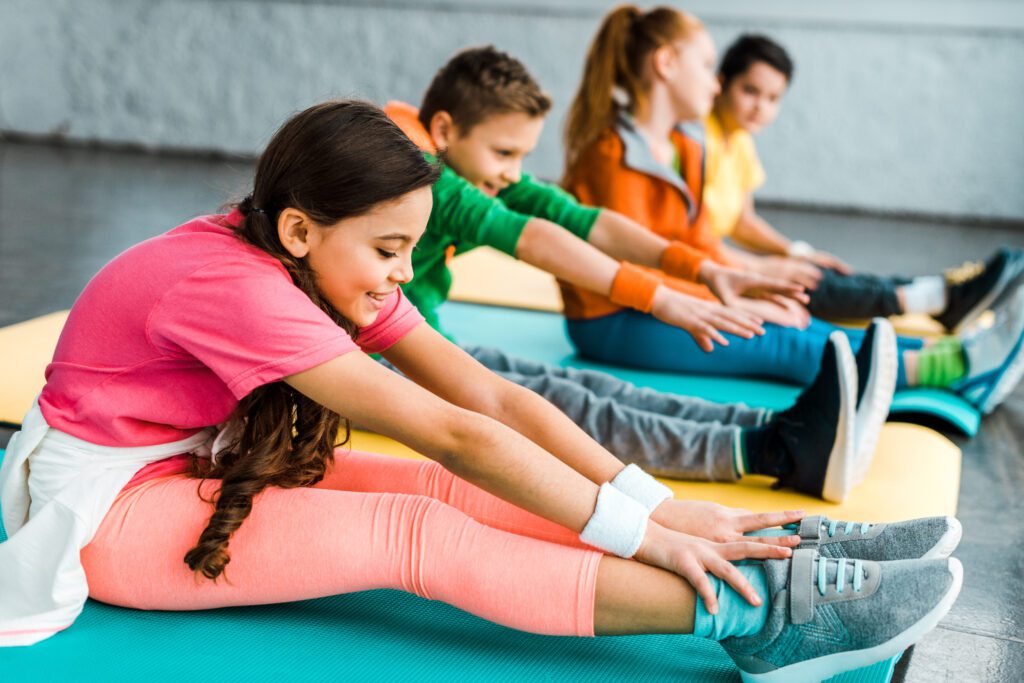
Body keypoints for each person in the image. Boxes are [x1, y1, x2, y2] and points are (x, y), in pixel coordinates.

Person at [0, 102, 963, 683]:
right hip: (110, 513)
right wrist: (640, 536)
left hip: (179, 459)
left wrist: (667, 513)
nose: (400, 273)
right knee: (416, 534)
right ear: (300, 229)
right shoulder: (241, 288)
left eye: (410, 247)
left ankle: (749, 543)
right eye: (388, 250)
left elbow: (491, 401)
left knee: (440, 492)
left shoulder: (314, 258)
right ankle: (758, 612)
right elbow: (450, 431)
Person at [383, 45, 895, 501]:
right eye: (504, 153)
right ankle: (771, 452)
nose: (514, 173)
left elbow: (582, 221)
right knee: (563, 406)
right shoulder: (421, 179)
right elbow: (530, 237)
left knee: (580, 385)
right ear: (447, 130)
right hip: (377, 363)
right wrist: (657, 297)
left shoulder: (471, 168)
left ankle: (785, 427)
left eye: (521, 156)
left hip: (413, 339)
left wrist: (703, 269)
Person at [560, 4, 1024, 417]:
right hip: (613, 318)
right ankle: (954, 370)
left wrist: (750, 284)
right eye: (706, 65)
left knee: (805, 321)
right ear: (666, 64)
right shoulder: (611, 157)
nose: (715, 79)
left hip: (668, 299)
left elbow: (698, 242)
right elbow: (629, 269)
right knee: (777, 339)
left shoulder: (684, 146)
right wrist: (729, 301)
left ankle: (955, 354)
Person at [702, 33, 1024, 330]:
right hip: (705, 267)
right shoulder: (700, 139)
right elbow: (687, 237)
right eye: (750, 91)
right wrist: (764, 266)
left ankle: (935, 292)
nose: (761, 107)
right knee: (803, 282)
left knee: (818, 270)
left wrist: (796, 252)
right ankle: (935, 298)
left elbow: (742, 221)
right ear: (721, 83)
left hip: (719, 259)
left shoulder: (740, 141)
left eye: (773, 98)